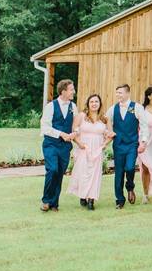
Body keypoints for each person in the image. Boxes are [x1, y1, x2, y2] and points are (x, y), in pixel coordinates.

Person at [106, 84, 149, 209]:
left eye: (120, 92)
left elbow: (144, 126)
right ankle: (119, 199)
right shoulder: (112, 109)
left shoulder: (137, 107)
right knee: (118, 173)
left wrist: (143, 142)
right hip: (118, 145)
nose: (118, 95)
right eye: (117, 93)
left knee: (130, 168)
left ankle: (130, 187)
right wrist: (107, 132)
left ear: (127, 93)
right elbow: (105, 122)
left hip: (132, 144)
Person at [40, 79, 77, 212]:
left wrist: (75, 133)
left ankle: (54, 203)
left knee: (60, 173)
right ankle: (46, 200)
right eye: (71, 89)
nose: (74, 92)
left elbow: (76, 125)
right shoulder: (50, 106)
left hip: (65, 147)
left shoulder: (74, 107)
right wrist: (61, 134)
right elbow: (44, 127)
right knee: (53, 170)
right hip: (51, 144)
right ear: (63, 91)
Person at [69, 93, 109, 210]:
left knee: (95, 174)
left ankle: (91, 200)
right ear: (88, 104)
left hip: (97, 149)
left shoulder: (104, 118)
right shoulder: (81, 116)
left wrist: (104, 144)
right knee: (83, 173)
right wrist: (79, 143)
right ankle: (83, 195)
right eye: (92, 102)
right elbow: (74, 132)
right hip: (83, 148)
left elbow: (110, 134)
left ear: (100, 104)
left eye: (96, 102)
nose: (94, 104)